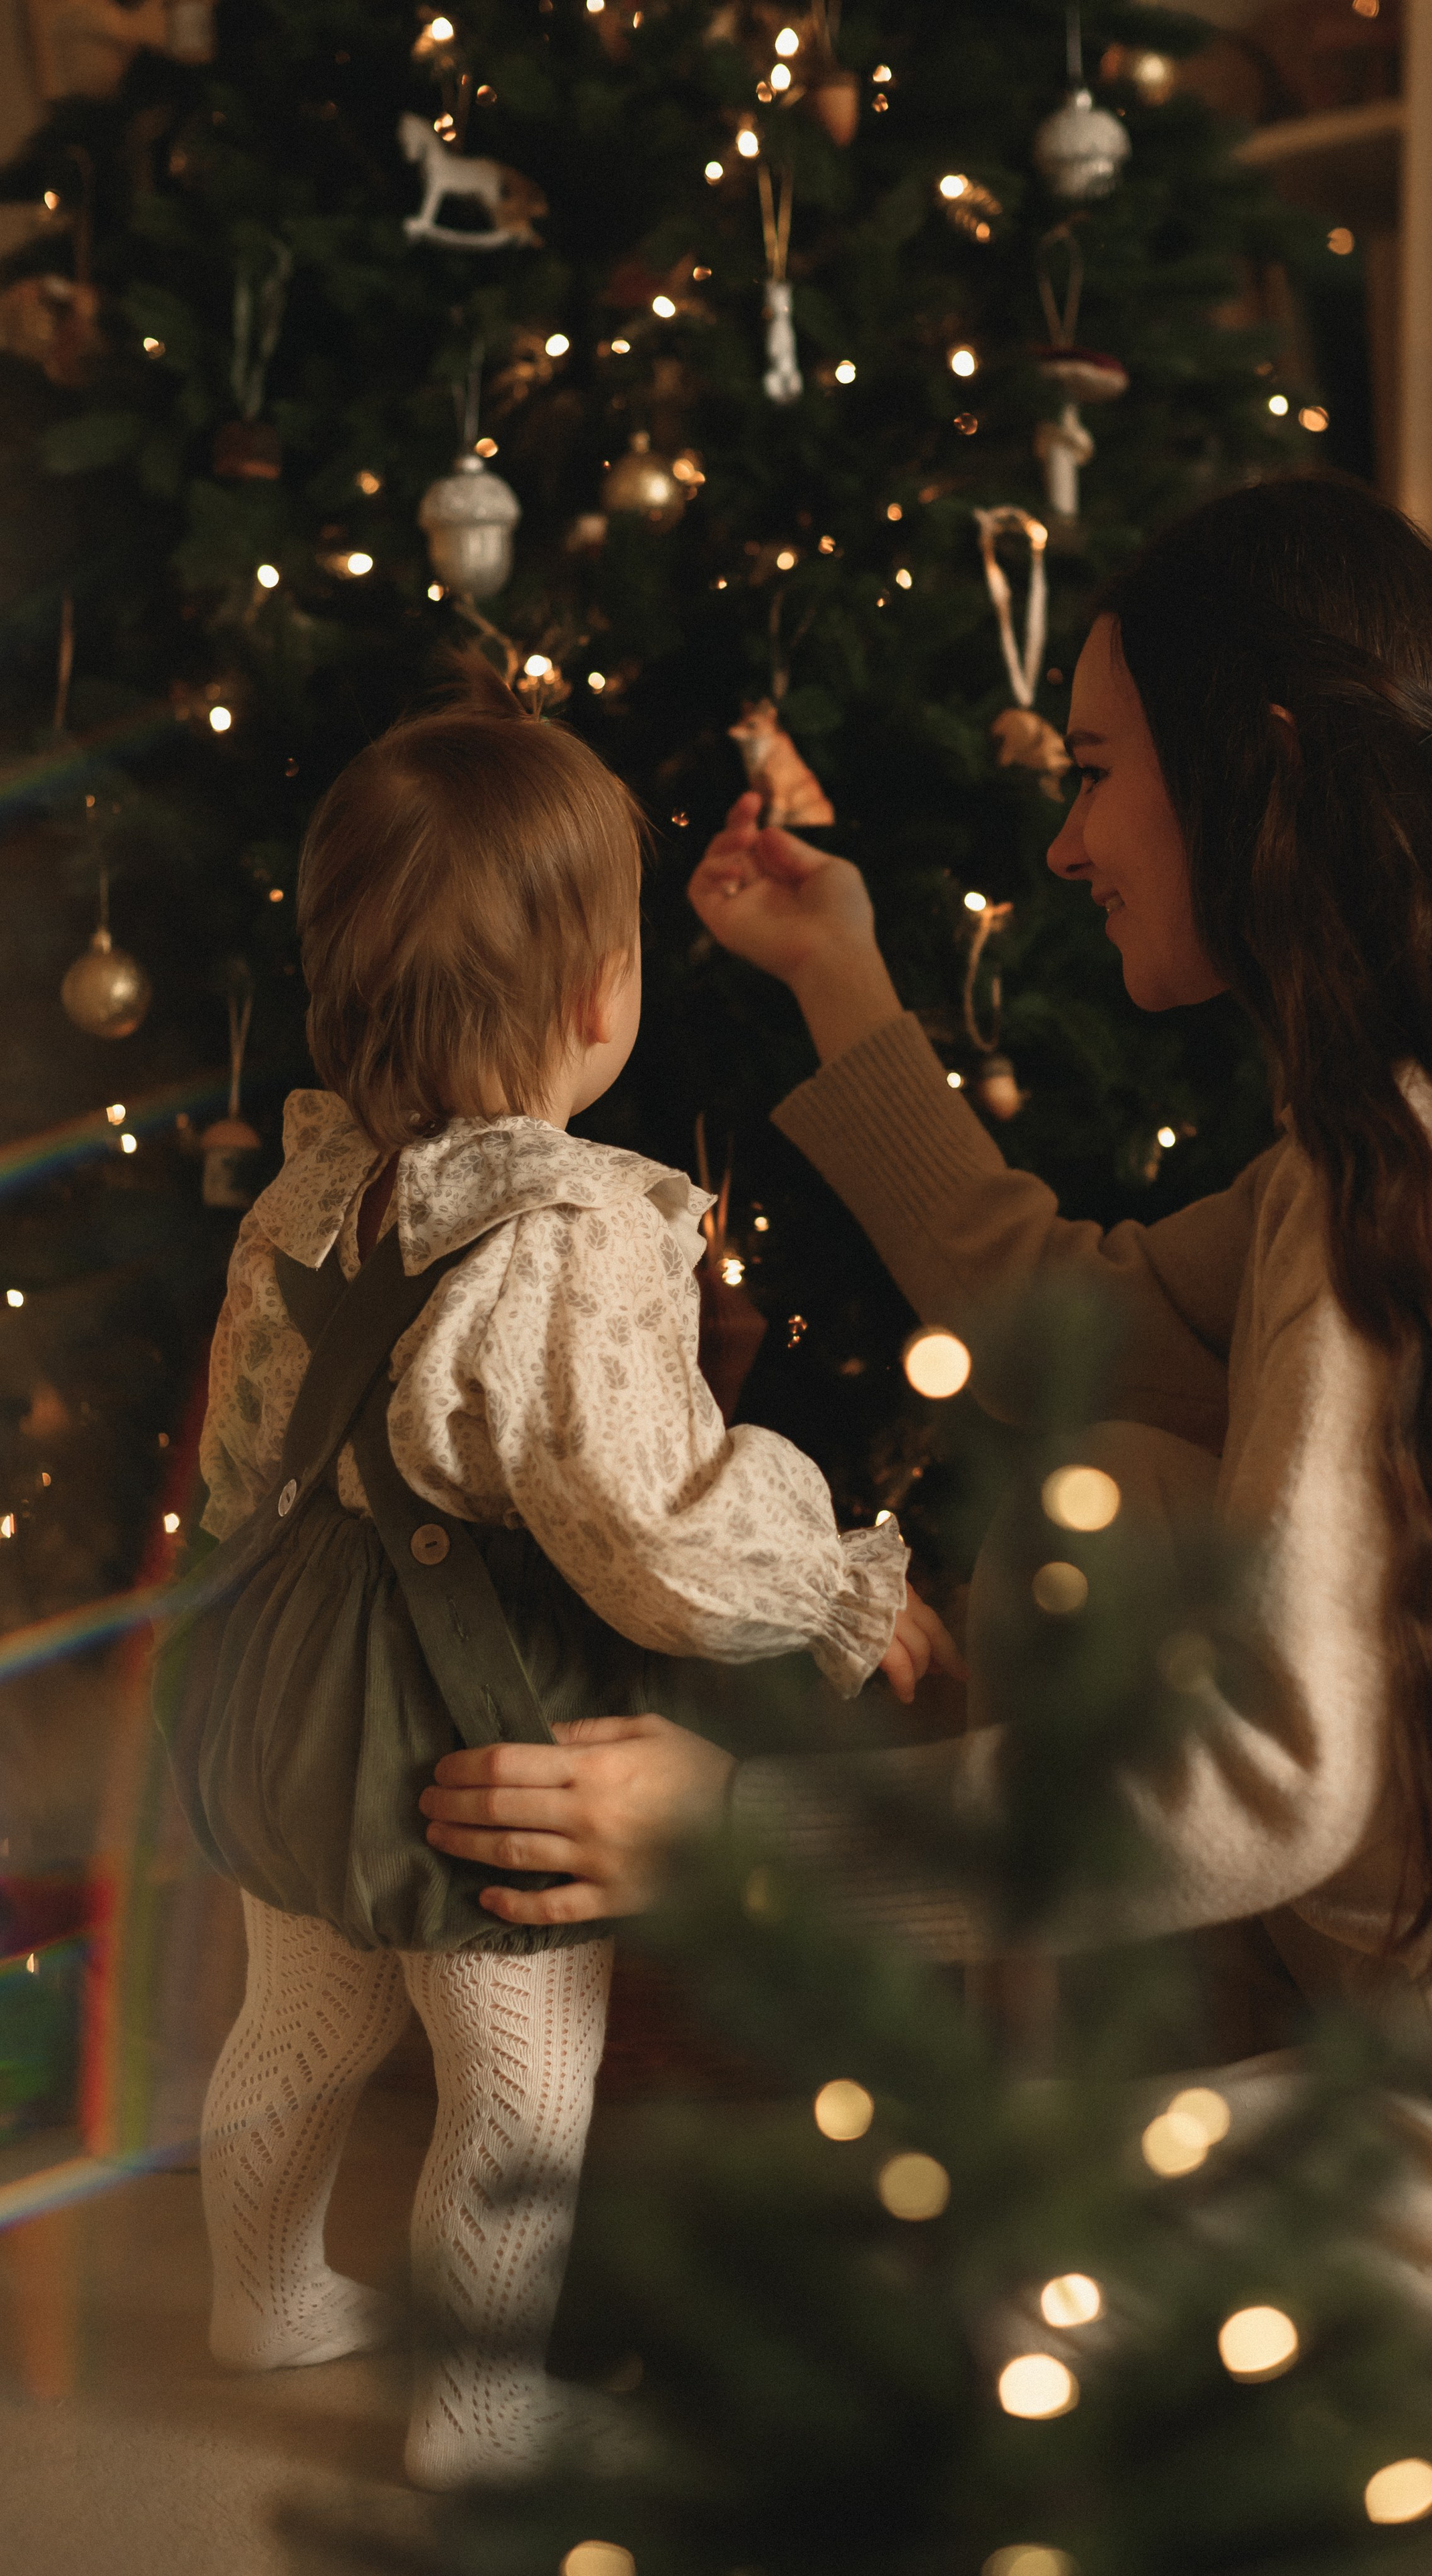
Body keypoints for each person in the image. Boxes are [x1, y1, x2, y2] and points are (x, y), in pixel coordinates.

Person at [418, 479, 1432, 2520]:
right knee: (1111, 1480)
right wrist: (843, 985)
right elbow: (1069, 1325)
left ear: (1256, 768)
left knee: (921, 2374)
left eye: (1103, 772)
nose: (1070, 836)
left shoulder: (1429, 1166)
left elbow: (1264, 1783)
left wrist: (733, 1837)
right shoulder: (1396, 1125)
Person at [186, 659, 955, 2492]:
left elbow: (236, 1449)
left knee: (298, 2014)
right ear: (603, 996)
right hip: (483, 1717)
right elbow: (653, 1526)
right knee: (517, 2078)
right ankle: (480, 2413)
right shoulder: (580, 1234)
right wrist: (840, 1589)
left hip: (295, 1669)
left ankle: (265, 2294)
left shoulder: (300, 1195)